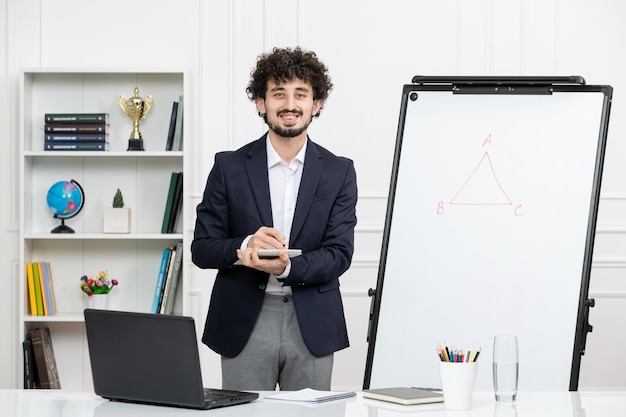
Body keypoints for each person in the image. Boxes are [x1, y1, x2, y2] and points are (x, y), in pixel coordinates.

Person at [191, 46, 358, 391]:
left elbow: (339, 253)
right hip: (243, 322)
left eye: (301, 94)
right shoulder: (228, 167)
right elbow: (202, 248)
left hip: (312, 322)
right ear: (260, 102)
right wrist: (244, 246)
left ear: (316, 104)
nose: (289, 104)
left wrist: (285, 268)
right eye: (278, 93)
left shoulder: (340, 172)